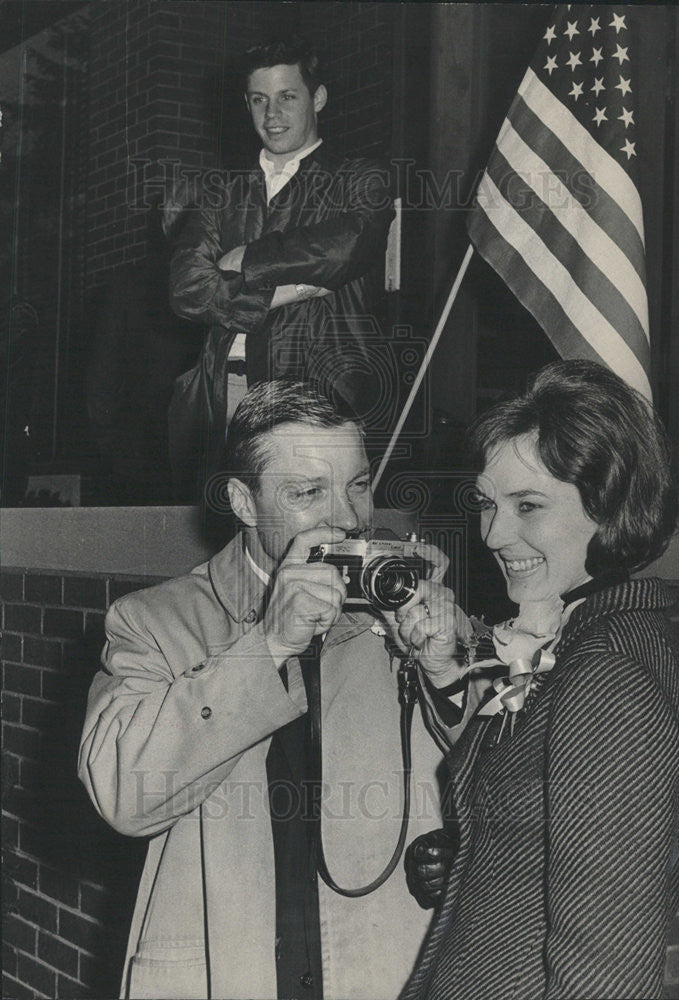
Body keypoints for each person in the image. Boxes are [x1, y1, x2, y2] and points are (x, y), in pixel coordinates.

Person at [78, 379, 468, 1000]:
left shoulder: (402, 603)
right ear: (243, 500)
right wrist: (268, 646)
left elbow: (510, 776)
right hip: (225, 973)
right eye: (307, 492)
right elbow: (123, 796)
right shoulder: (154, 623)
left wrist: (447, 674)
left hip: (382, 969)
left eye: (358, 485)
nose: (346, 518)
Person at [400, 360, 679, 1000]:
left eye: (528, 505)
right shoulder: (580, 640)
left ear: (609, 505)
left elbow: (603, 977)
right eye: (488, 504)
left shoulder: (611, 679)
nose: (492, 533)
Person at [168, 37, 393, 497]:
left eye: (287, 97)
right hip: (228, 394)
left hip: (319, 391)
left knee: (316, 529)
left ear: (319, 98)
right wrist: (289, 291)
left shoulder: (358, 179)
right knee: (238, 527)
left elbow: (344, 249)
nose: (272, 115)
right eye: (259, 100)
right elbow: (186, 289)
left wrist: (246, 259)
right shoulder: (219, 194)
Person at [85, 184, 203, 503]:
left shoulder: (226, 285)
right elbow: (102, 386)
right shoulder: (131, 287)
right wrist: (121, 458)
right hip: (148, 467)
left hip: (194, 466)